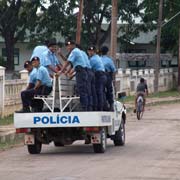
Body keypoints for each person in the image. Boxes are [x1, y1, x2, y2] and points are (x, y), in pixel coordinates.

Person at [57, 40, 88, 111]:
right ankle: (85, 108)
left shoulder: (74, 51)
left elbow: (68, 62)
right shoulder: (76, 51)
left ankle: (84, 109)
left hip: (81, 71)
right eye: (67, 46)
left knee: (82, 90)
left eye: (70, 45)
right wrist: (68, 72)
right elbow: (73, 65)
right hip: (81, 71)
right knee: (82, 90)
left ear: (74, 45)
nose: (69, 47)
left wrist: (61, 72)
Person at [87, 46, 107, 111]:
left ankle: (99, 108)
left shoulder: (92, 59)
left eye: (92, 51)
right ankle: (104, 107)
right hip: (103, 75)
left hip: (99, 75)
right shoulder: (97, 57)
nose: (90, 52)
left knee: (98, 92)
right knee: (101, 92)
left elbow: (87, 69)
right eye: (89, 51)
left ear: (94, 52)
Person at [100, 46, 116, 111]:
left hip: (99, 76)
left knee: (101, 91)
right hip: (107, 75)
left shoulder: (98, 59)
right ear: (107, 52)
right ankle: (111, 105)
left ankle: (103, 105)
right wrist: (113, 79)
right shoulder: (109, 60)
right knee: (109, 90)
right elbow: (113, 70)